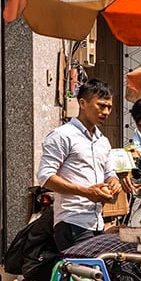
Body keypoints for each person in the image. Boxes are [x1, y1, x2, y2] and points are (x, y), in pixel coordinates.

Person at [38, 78, 123, 252]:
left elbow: (110, 173)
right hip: (71, 222)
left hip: (97, 222)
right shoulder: (62, 135)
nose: (106, 112)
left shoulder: (103, 141)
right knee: (82, 275)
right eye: (101, 105)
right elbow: (45, 177)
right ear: (82, 103)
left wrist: (114, 182)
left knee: (94, 276)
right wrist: (85, 192)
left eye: (109, 107)